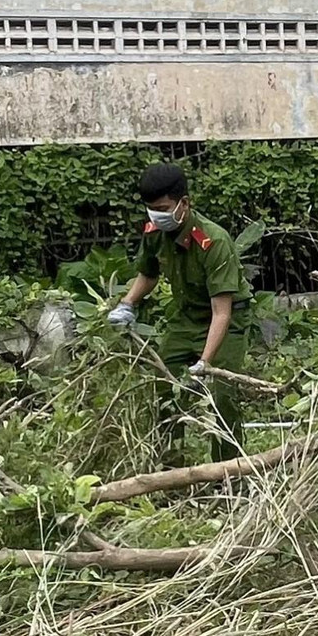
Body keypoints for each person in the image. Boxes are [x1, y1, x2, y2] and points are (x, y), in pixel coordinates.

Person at [107, 163, 254, 465]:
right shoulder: (155, 232)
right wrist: (126, 304)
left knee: (222, 397)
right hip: (187, 318)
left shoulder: (213, 241)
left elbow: (221, 312)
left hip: (226, 322)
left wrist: (206, 362)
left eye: (162, 208)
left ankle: (228, 474)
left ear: (183, 203)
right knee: (164, 387)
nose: (155, 215)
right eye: (150, 209)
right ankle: (169, 468)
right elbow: (148, 274)